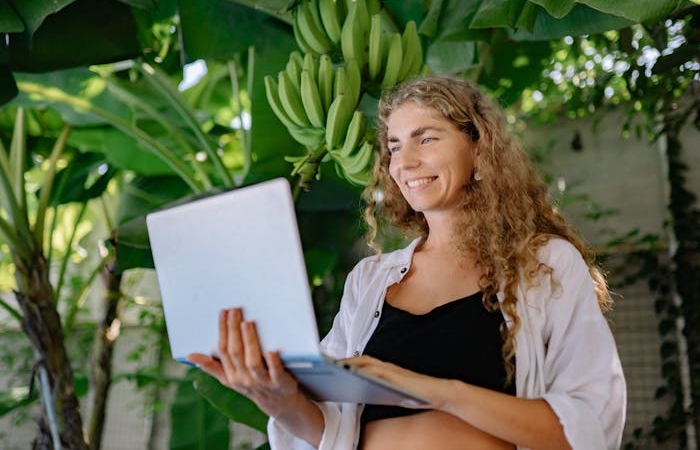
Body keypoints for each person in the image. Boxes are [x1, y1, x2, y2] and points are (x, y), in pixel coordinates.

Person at [187, 75, 627, 449]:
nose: (405, 162)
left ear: (479, 150)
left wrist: (430, 390)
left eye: (427, 138)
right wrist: (281, 402)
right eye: (395, 146)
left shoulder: (544, 265)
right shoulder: (370, 280)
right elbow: (330, 430)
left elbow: (586, 427)